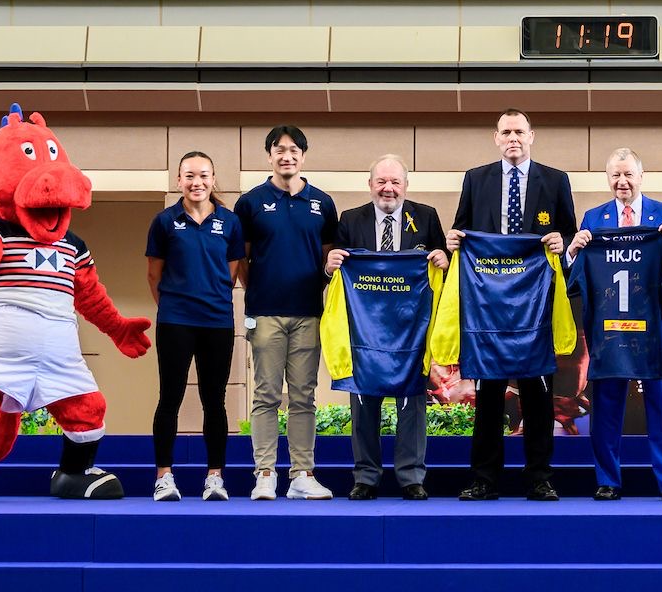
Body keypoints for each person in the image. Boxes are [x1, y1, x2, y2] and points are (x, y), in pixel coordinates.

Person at [446, 108, 576, 501]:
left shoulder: (555, 180)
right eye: (506, 132)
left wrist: (562, 241)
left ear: (531, 136)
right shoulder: (476, 179)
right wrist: (453, 240)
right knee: (488, 396)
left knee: (538, 395)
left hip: (536, 305)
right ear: (496, 138)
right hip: (488, 306)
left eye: (519, 131)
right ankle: (484, 480)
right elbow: (461, 229)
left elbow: (569, 233)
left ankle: (539, 478)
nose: (513, 138)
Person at [566, 148, 662, 501]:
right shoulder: (593, 218)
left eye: (628, 174)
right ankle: (607, 480)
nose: (622, 181)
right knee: (606, 407)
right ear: (608, 179)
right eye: (615, 175)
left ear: (641, 176)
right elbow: (575, 275)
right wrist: (572, 251)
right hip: (610, 330)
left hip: (656, 329)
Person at [324, 154, 449, 501]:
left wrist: (444, 258)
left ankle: (411, 477)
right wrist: (330, 266)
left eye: (395, 182)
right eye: (381, 181)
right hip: (365, 330)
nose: (388, 188)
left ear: (406, 186)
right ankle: (366, 477)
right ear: (370, 185)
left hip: (412, 328)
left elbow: (444, 264)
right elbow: (337, 274)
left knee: (413, 403)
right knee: (364, 402)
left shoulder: (426, 216)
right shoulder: (351, 220)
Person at [235, 125, 338, 501]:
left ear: (303, 156)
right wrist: (260, 292)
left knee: (303, 397)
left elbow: (328, 259)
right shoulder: (250, 202)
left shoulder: (322, 203)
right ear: (269, 156)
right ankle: (264, 473)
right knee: (265, 394)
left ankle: (302, 475)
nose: (287, 156)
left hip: (309, 313)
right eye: (279, 149)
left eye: (294, 150)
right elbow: (241, 259)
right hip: (264, 314)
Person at [146, 151, 246, 502]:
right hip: (175, 322)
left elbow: (231, 272)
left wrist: (208, 298)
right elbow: (154, 275)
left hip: (217, 322)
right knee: (169, 398)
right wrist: (176, 306)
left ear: (213, 179)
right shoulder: (164, 221)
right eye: (189, 175)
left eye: (203, 175)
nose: (197, 182)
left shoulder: (230, 222)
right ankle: (164, 477)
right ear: (179, 181)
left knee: (214, 401)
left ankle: (215, 477)